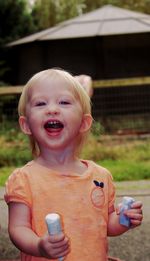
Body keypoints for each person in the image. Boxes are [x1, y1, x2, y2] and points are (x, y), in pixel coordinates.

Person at [4, 68, 143, 261]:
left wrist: (124, 219)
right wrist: (39, 246)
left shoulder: (100, 177)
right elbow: (18, 229)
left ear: (84, 123)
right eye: (41, 103)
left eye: (64, 102)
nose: (52, 109)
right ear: (26, 125)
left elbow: (107, 226)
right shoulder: (23, 179)